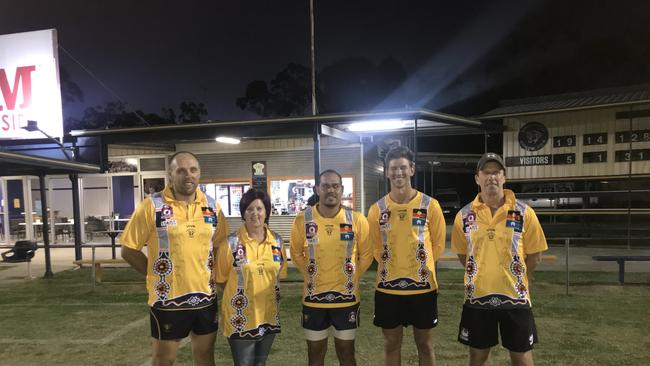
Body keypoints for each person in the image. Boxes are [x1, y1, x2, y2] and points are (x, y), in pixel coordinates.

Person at [121, 151, 228, 366]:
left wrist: (219, 279)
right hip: (167, 299)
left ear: (199, 173)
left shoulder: (212, 206)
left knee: (206, 358)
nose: (188, 175)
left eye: (193, 170)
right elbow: (128, 249)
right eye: (181, 170)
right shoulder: (151, 206)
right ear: (171, 175)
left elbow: (219, 247)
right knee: (164, 360)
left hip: (204, 298)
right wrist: (154, 273)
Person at [451, 152, 548, 366]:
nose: (491, 177)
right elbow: (462, 255)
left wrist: (516, 276)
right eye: (486, 172)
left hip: (516, 297)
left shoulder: (524, 213)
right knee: (478, 357)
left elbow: (535, 255)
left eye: (496, 172)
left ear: (504, 177)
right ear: (478, 178)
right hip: (478, 297)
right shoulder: (464, 215)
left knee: (521, 357)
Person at [367, 146, 446, 366]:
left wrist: (419, 267)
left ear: (411, 169)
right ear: (386, 172)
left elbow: (438, 245)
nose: (398, 173)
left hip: (422, 287)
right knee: (391, 344)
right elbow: (374, 247)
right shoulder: (377, 209)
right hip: (388, 288)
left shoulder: (430, 205)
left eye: (403, 167)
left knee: (425, 344)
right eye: (393, 168)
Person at [290, 169, 373, 366]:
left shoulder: (357, 219)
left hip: (346, 299)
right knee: (315, 355)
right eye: (325, 185)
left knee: (346, 354)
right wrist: (311, 275)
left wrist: (351, 277)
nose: (330, 190)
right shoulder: (303, 219)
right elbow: (295, 253)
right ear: (317, 189)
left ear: (342, 190)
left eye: (335, 186)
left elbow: (367, 254)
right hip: (314, 299)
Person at [214, 188, 286, 366]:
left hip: (268, 314)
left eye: (260, 209)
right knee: (244, 364)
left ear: (267, 211)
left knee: (260, 363)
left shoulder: (277, 242)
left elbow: (279, 274)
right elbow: (221, 279)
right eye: (250, 209)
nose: (255, 213)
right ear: (243, 213)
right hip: (241, 316)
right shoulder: (230, 244)